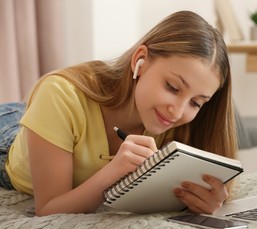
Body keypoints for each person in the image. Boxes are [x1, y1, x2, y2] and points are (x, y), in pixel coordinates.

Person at [0, 10, 238, 216]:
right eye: (172, 87)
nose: (177, 111)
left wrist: (203, 199)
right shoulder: (60, 94)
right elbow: (48, 209)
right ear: (140, 61)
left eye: (196, 103)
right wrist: (110, 174)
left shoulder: (175, 123)